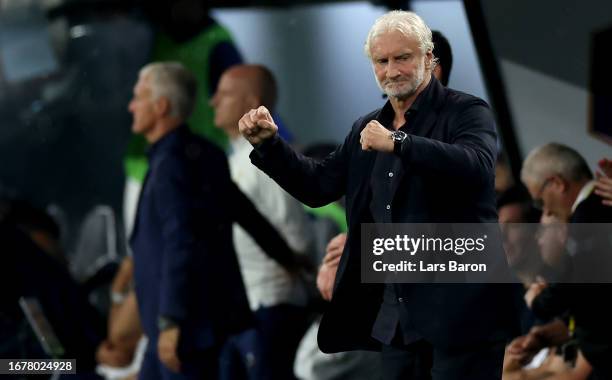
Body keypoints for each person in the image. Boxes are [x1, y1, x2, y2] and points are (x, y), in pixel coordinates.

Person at [238, 10, 518, 379]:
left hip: (461, 316)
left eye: (403, 57)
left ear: (428, 58)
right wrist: (271, 146)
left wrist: (399, 143)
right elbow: (318, 186)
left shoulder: (466, 111)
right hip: (395, 320)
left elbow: (477, 165)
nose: (392, 70)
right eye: (381, 61)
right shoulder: (366, 126)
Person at [128, 62, 297, 380]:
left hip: (183, 331)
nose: (131, 106)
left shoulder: (170, 164)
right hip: (199, 325)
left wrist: (171, 321)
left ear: (161, 106)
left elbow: (182, 239)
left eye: (138, 97)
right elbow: (244, 213)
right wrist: (288, 258)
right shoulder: (204, 153)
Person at [211, 64, 314, 379]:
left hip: (272, 309)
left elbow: (297, 239)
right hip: (249, 311)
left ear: (250, 101)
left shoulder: (265, 160)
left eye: (224, 94)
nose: (212, 101)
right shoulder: (236, 161)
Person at [518, 143, 612, 379]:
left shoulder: (587, 220)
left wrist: (536, 300)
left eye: (540, 202)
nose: (546, 212)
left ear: (558, 184)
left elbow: (567, 288)